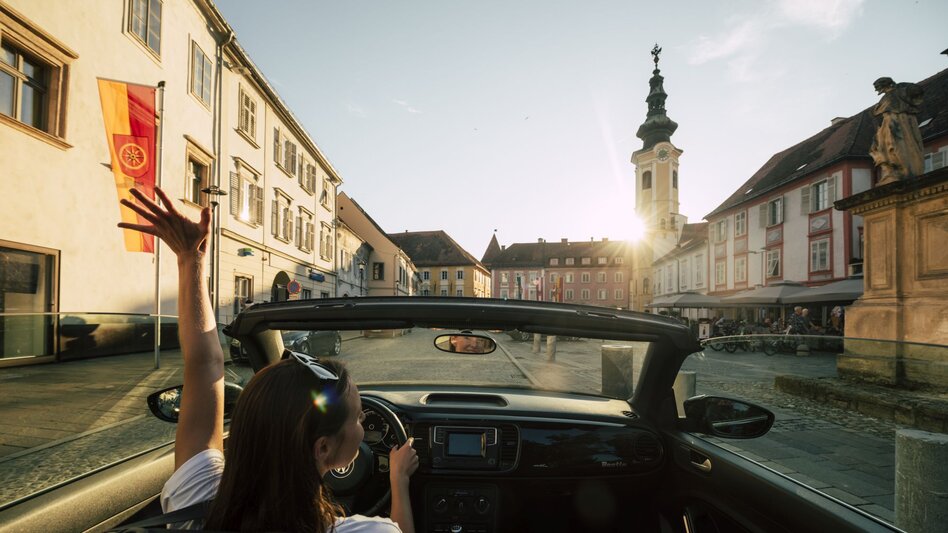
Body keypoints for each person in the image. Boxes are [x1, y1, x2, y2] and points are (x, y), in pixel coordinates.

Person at [118, 187, 418, 532]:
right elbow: (204, 368)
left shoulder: (197, 503)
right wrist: (399, 480)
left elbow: (204, 367)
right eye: (358, 417)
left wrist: (190, 258)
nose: (363, 424)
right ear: (322, 449)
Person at [868, 76, 925, 185]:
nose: (879, 90)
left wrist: (902, 85)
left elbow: (917, 91)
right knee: (878, 148)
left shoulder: (899, 92)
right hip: (888, 123)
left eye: (879, 88)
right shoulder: (887, 97)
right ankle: (892, 170)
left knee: (896, 145)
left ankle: (902, 170)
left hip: (896, 122)